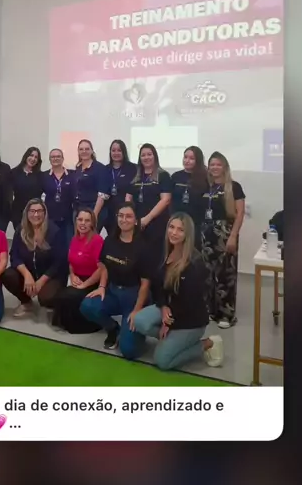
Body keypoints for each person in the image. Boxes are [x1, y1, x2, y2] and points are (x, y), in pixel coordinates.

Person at [131, 213, 224, 369]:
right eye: (171, 227)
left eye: (180, 230)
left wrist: (170, 325)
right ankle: (172, 342)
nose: (174, 233)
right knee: (139, 320)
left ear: (188, 234)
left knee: (162, 361)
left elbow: (190, 303)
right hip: (170, 307)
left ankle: (207, 343)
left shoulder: (194, 263)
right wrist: (162, 306)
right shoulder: (166, 252)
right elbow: (158, 286)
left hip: (190, 320)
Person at [80, 202, 151, 353]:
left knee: (129, 351)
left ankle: (137, 331)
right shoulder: (110, 240)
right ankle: (113, 328)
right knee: (87, 305)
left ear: (136, 220)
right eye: (121, 216)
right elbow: (104, 266)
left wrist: (137, 310)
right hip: (113, 292)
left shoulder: (143, 247)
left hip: (133, 296)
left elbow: (145, 284)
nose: (124, 220)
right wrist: (101, 287)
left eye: (129, 216)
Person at [201, 151, 245, 328]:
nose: (215, 167)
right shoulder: (206, 186)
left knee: (226, 275)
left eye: (218, 164)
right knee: (208, 275)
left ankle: (226, 314)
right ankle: (210, 310)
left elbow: (240, 213)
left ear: (225, 167)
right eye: (212, 164)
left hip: (226, 234)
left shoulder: (234, 187)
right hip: (206, 235)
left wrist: (233, 236)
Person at [2, 198, 68, 317]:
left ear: (45, 213)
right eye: (32, 211)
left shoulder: (55, 231)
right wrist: (27, 275)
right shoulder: (20, 230)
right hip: (30, 272)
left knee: (45, 297)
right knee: (8, 275)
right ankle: (26, 302)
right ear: (27, 213)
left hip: (51, 275)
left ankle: (53, 304)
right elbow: (14, 255)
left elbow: (59, 262)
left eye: (39, 211)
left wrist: (41, 281)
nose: (36, 215)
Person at [52, 208, 104, 333]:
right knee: (58, 295)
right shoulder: (74, 239)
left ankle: (87, 325)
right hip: (78, 278)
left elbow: (101, 269)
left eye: (87, 220)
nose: (83, 223)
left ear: (92, 223)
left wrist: (84, 285)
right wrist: (72, 275)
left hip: (92, 281)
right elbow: (71, 261)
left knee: (67, 296)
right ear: (76, 221)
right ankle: (65, 321)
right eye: (80, 220)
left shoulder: (97, 240)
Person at [125, 143, 172, 270]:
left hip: (157, 224)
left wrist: (147, 218)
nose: (146, 157)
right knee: (138, 258)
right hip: (137, 224)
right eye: (143, 155)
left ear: (155, 156)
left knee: (155, 259)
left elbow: (166, 200)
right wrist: (130, 217)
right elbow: (128, 198)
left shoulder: (163, 176)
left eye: (149, 154)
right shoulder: (136, 176)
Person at [170, 146, 208, 248]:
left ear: (198, 160)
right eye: (185, 157)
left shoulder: (205, 178)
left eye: (191, 158)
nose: (187, 161)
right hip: (177, 221)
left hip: (196, 223)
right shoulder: (176, 176)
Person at [100, 139, 137, 235]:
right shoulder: (105, 169)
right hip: (109, 214)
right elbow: (102, 192)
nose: (116, 153)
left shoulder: (133, 168)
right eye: (113, 150)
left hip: (126, 213)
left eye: (119, 150)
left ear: (124, 152)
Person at [73, 139, 109, 232]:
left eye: (87, 149)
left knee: (91, 238)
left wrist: (94, 215)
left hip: (94, 210)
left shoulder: (100, 168)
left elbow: (102, 194)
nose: (84, 151)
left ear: (92, 151)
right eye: (81, 149)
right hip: (80, 210)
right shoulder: (78, 168)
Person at [42, 148, 75, 246]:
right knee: (51, 246)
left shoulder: (72, 174)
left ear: (62, 159)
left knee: (68, 245)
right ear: (49, 159)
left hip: (68, 219)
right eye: (53, 157)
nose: (55, 158)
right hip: (50, 218)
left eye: (58, 156)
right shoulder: (44, 176)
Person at [10, 146, 44, 230]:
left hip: (35, 213)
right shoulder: (14, 172)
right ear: (26, 156)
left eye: (36, 157)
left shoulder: (41, 175)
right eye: (31, 155)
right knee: (20, 235)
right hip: (18, 212)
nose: (33, 159)